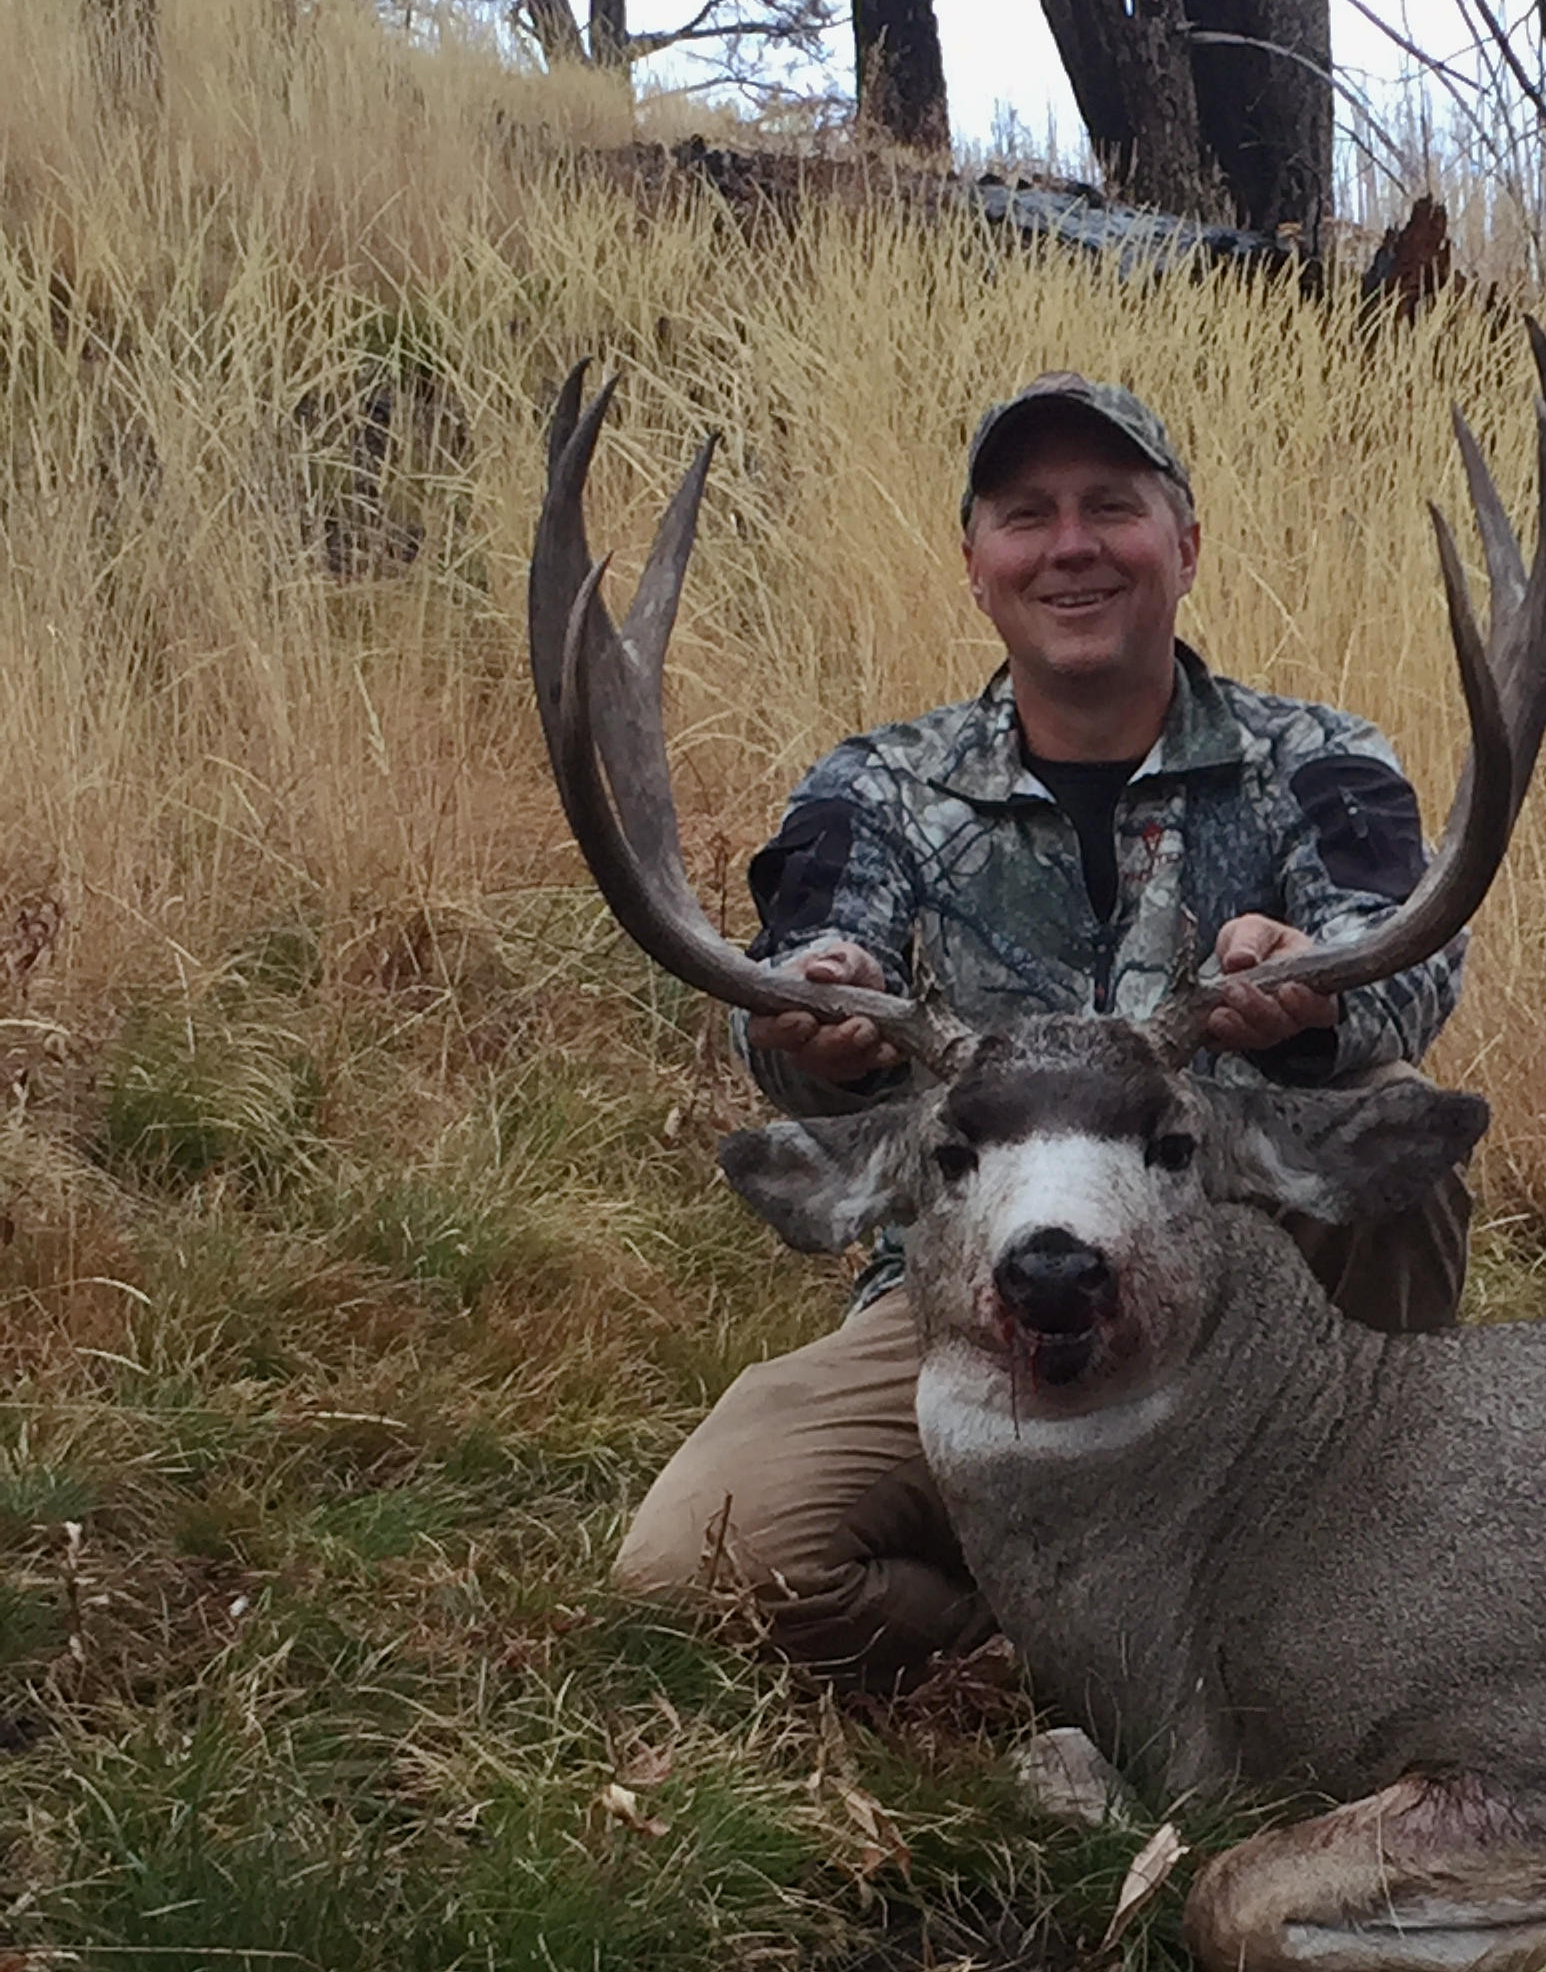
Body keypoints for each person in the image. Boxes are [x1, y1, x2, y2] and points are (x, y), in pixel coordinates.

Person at [612, 371, 1471, 1684]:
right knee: (696, 1569)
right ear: (976, 566)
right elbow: (787, 997)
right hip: (969, 1305)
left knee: (1391, 1115)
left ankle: (1368, 1563)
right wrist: (809, 1017)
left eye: (1111, 507)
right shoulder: (882, 785)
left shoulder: (1317, 761)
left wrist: (1318, 991)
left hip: (1234, 1295)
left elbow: (1410, 957)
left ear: (1184, 547)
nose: (1071, 545)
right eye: (1026, 515)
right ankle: (1069, 1653)